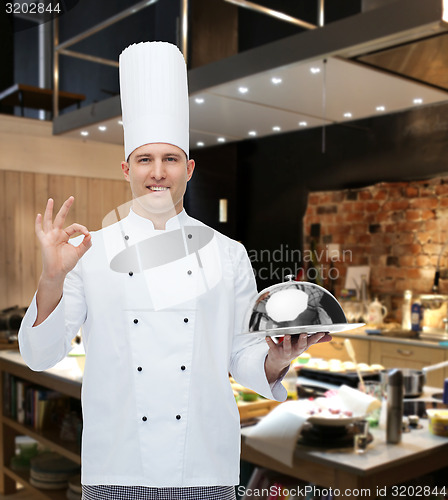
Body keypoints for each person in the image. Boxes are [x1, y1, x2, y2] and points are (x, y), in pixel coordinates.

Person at [18, 42, 330, 500]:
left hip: (204, 463)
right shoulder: (90, 251)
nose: (157, 173)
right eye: (145, 159)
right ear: (126, 168)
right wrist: (52, 277)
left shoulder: (228, 254)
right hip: (117, 465)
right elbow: (41, 356)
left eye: (170, 159)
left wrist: (279, 358)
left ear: (190, 168)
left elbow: (240, 356)